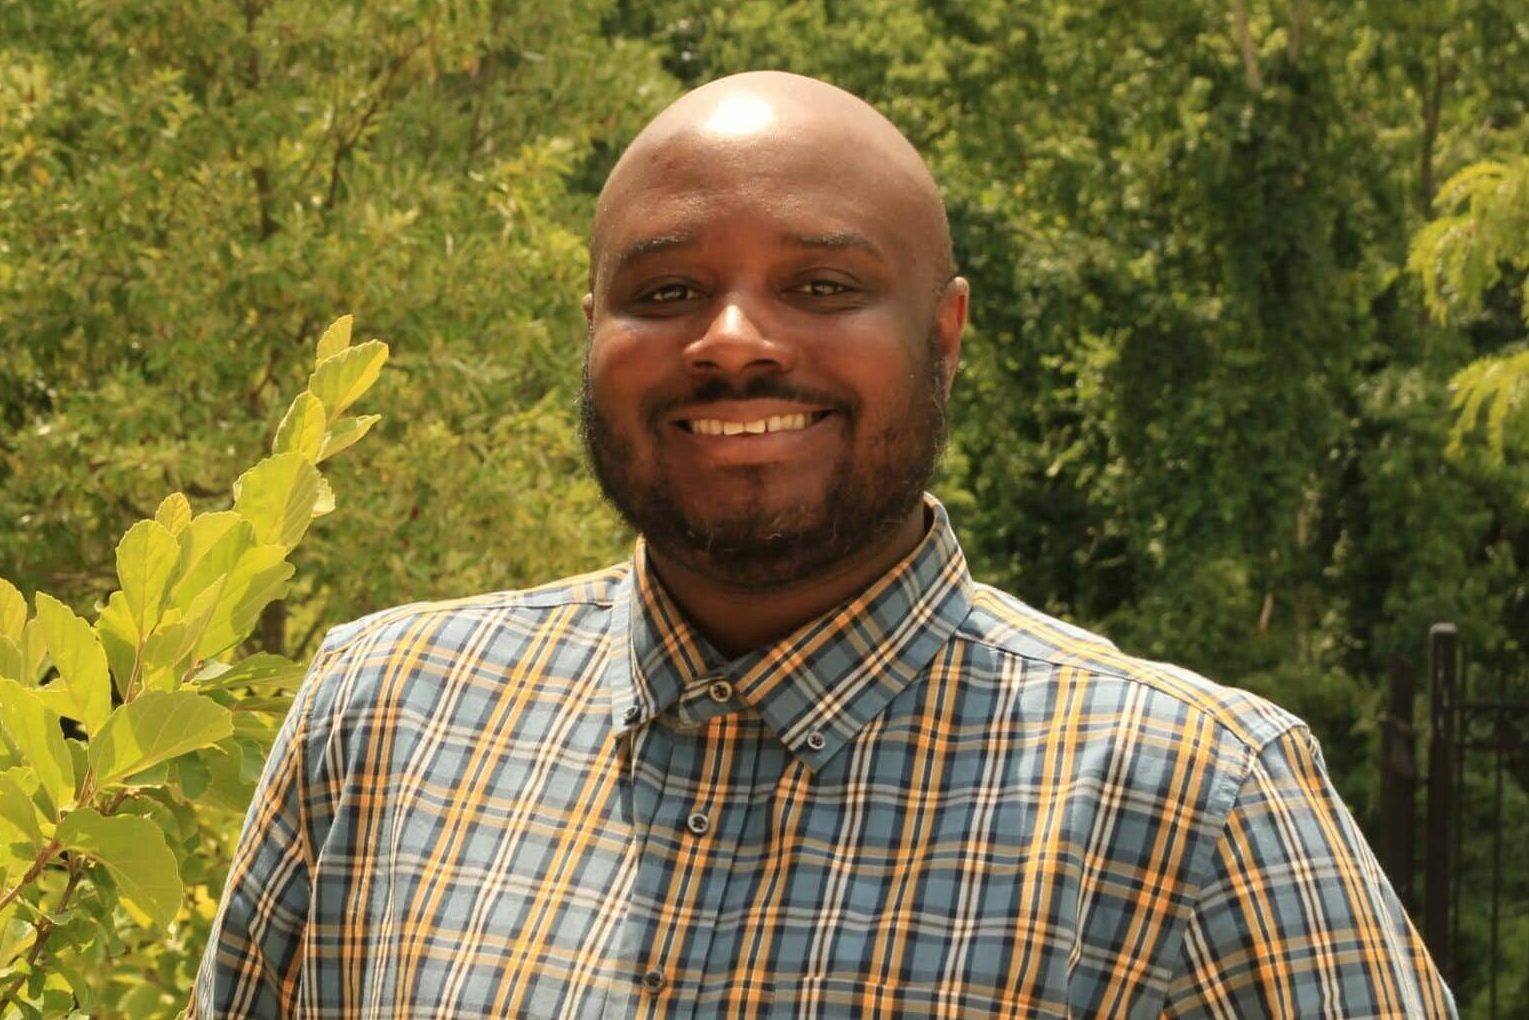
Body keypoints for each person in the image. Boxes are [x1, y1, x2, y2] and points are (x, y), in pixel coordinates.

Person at [194, 71, 1454, 1018]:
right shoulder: (382, 721)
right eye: (666, 291)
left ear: (943, 331)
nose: (732, 338)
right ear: (592, 326)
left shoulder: (1196, 803)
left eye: (822, 287)